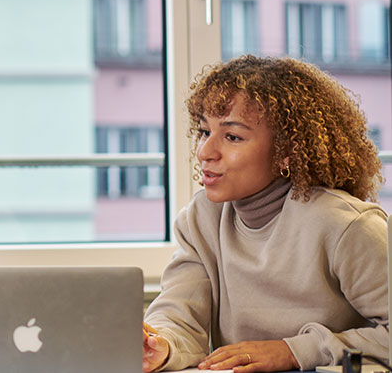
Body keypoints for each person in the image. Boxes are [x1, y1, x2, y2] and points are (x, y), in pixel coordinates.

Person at [142, 55, 389, 373]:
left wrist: (294, 351)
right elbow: (180, 315)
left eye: (232, 137)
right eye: (205, 132)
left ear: (288, 151)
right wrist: (162, 345)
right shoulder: (201, 219)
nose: (205, 151)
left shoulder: (347, 226)